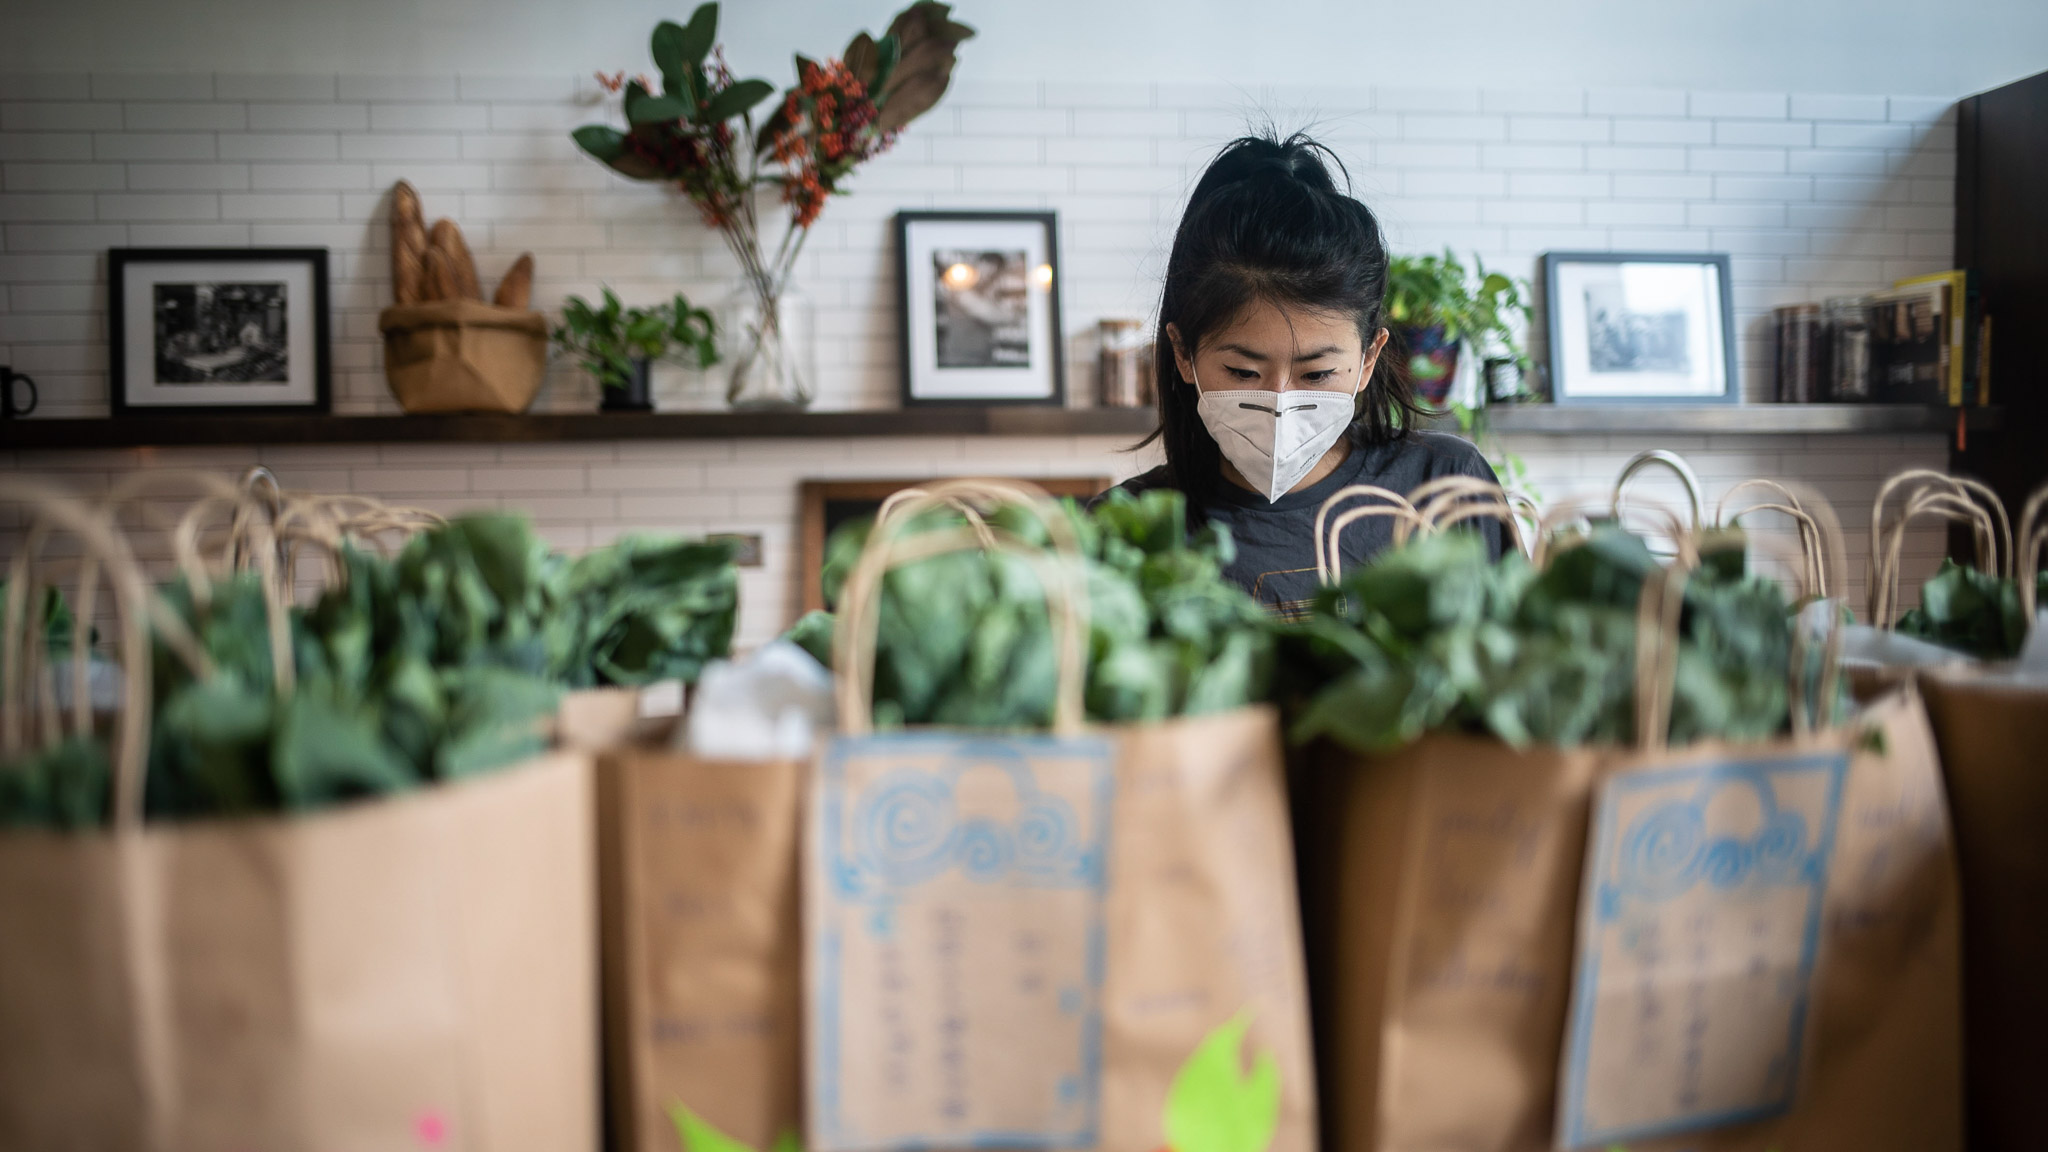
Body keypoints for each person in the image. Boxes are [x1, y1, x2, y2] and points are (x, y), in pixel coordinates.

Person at [1096, 132, 1503, 618]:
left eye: (1317, 374)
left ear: (1369, 359)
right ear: (1183, 354)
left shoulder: (1444, 486)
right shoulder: (1130, 530)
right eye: (1243, 371)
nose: (1279, 401)